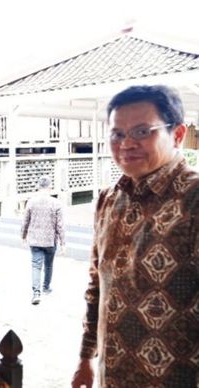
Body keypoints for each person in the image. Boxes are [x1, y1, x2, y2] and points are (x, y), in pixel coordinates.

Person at [71, 85, 198, 388]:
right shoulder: (109, 198)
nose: (126, 144)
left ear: (177, 134)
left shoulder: (193, 199)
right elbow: (97, 286)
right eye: (117, 134)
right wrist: (86, 357)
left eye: (143, 132)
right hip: (110, 376)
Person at [21, 175, 64, 305]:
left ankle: (36, 293)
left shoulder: (31, 202)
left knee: (36, 266)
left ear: (38, 187)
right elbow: (60, 225)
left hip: (34, 240)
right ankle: (46, 287)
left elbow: (25, 221)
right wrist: (63, 243)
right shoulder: (56, 203)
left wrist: (23, 236)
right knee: (49, 265)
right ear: (50, 187)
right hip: (50, 240)